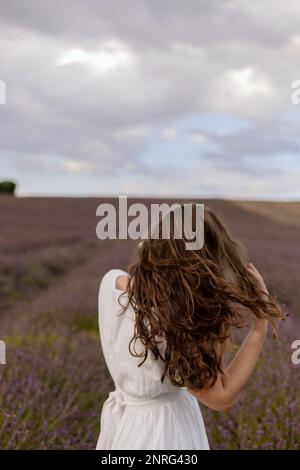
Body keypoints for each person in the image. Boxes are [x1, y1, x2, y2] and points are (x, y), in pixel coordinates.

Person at [96, 204, 284, 450]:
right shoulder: (181, 321)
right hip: (167, 435)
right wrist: (258, 324)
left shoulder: (110, 282)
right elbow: (221, 397)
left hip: (125, 429)